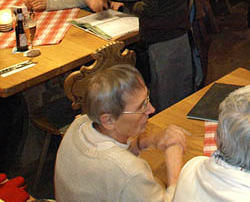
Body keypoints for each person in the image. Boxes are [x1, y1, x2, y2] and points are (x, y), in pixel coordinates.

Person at [55, 64, 186, 202]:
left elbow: (111, 155)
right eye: (141, 106)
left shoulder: (79, 124)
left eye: (147, 99)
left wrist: (145, 142)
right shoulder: (130, 172)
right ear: (109, 120)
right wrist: (175, 168)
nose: (151, 109)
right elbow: (121, 168)